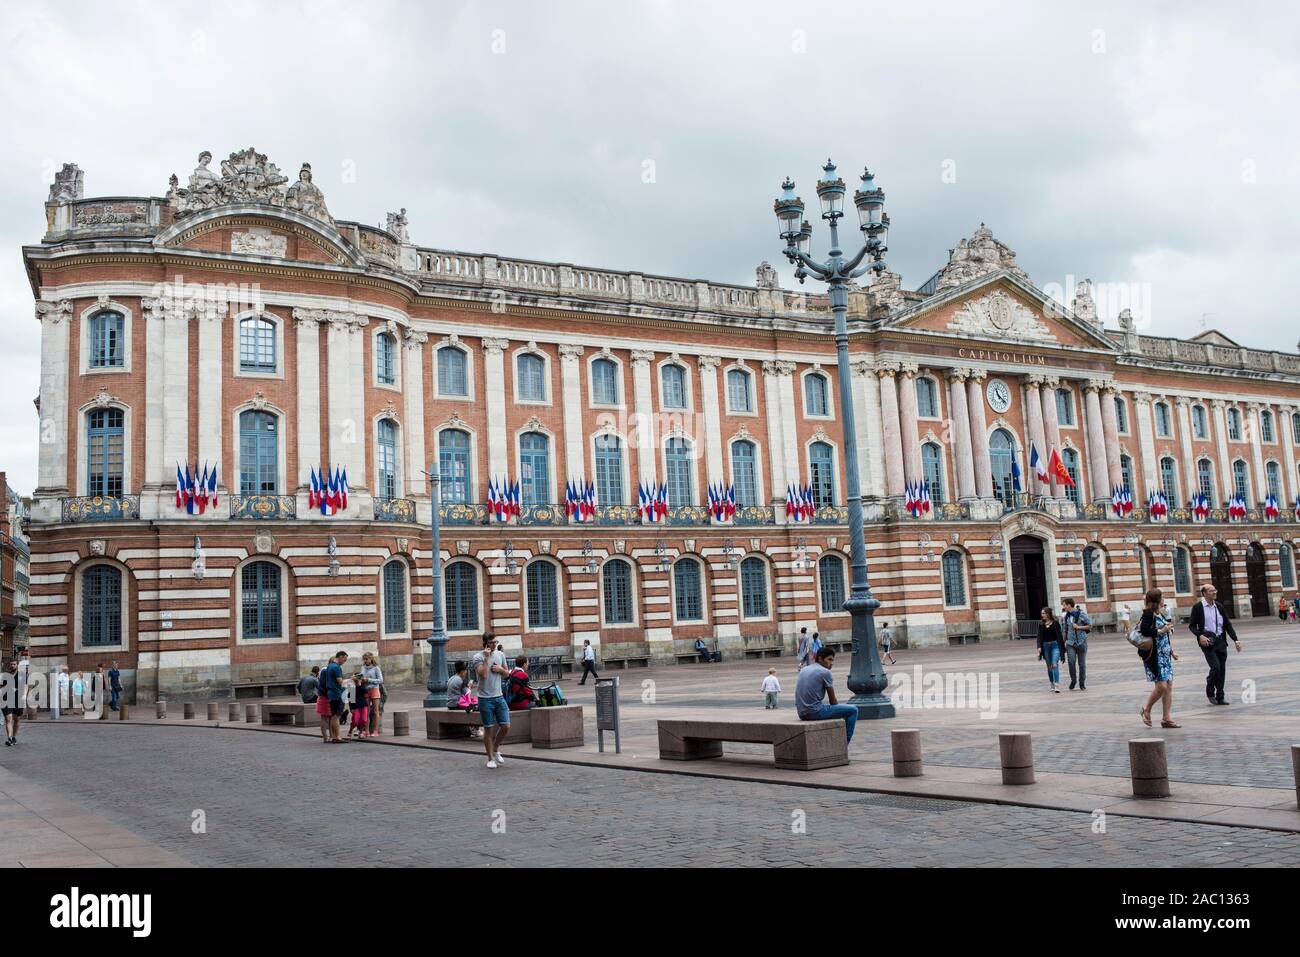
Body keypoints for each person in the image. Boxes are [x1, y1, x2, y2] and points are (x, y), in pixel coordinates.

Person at [1188, 583, 1240, 706]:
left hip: (1220, 641)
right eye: (1211, 591)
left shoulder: (1219, 606)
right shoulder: (1198, 607)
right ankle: (1210, 689)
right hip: (1207, 642)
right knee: (1215, 667)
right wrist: (1199, 636)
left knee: (1222, 670)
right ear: (1204, 593)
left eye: (1215, 590)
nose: (1214, 592)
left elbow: (1227, 624)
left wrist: (1235, 639)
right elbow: (1192, 625)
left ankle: (1220, 697)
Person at [795, 647, 856, 744]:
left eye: (833, 660)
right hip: (814, 712)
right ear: (820, 659)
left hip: (801, 713)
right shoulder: (825, 672)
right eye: (829, 659)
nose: (832, 663)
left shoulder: (804, 669)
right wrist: (839, 712)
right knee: (852, 710)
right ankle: (844, 744)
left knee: (839, 710)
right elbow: (833, 701)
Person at [1139, 588, 1180, 728]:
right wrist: (1162, 630)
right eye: (1162, 597)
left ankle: (1166, 718)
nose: (1163, 600)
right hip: (1154, 656)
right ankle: (1146, 709)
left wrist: (1171, 651)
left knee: (1168, 686)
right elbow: (1144, 630)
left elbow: (1164, 636)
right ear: (1156, 600)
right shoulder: (1148, 614)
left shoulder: (1159, 613)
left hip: (1164, 655)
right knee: (1161, 686)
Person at [473, 634, 511, 768]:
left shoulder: (500, 655)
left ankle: (495, 749)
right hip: (484, 699)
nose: (494, 644)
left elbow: (507, 674)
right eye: (491, 642)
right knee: (488, 728)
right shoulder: (477, 657)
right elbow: (483, 674)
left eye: (495, 642)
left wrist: (500, 669)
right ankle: (490, 759)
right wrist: (486, 658)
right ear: (485, 643)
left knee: (506, 726)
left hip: (499, 696)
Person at [319, 650, 349, 743]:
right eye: (344, 660)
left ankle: (334, 736)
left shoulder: (330, 666)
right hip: (337, 694)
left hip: (331, 694)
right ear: (341, 657)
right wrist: (352, 679)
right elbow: (340, 682)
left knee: (333, 716)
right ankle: (337, 737)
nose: (344, 662)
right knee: (336, 716)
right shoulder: (336, 667)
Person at [1060, 598, 1091, 690]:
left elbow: (1090, 625)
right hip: (1070, 643)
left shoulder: (1081, 614)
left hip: (1081, 642)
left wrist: (1079, 627)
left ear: (1069, 605)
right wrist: (1063, 643)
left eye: (1064, 605)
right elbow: (1065, 630)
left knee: (1082, 664)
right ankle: (1073, 680)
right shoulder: (1066, 616)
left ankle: (1082, 683)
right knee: (1071, 662)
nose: (1063, 607)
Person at [1036, 607, 1065, 693]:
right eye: (1042, 613)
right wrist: (1039, 647)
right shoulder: (1041, 624)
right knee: (1049, 667)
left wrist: (1062, 650)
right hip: (1045, 646)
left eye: (1044, 613)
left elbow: (1060, 637)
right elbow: (1039, 637)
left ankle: (1057, 685)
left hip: (1055, 645)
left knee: (1054, 664)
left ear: (1048, 614)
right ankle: (1052, 683)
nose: (1042, 615)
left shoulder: (1055, 623)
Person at [361, 653, 384, 736]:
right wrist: (360, 679)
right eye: (364, 659)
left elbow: (381, 680)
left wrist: (369, 680)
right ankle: (366, 731)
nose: (365, 661)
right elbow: (362, 677)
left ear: (371, 659)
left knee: (375, 711)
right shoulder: (363, 667)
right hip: (366, 690)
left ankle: (375, 731)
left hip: (374, 689)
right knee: (366, 711)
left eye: (367, 659)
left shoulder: (376, 668)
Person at [3, 659, 23, 746]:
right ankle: (10, 738)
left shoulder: (22, 675)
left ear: (17, 665)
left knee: (16, 719)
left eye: (14, 664)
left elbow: (26, 686)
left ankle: (14, 737)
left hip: (18, 699)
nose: (12, 666)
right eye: (11, 664)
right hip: (6, 699)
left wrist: (24, 695)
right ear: (9, 665)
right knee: (8, 718)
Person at [349, 673, 371, 738]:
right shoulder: (352, 687)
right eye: (357, 677)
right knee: (355, 721)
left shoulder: (363, 685)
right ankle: (350, 730)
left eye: (359, 678)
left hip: (363, 705)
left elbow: (365, 691)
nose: (358, 679)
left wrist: (359, 684)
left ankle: (360, 732)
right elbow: (351, 699)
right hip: (356, 706)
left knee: (364, 720)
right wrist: (351, 708)